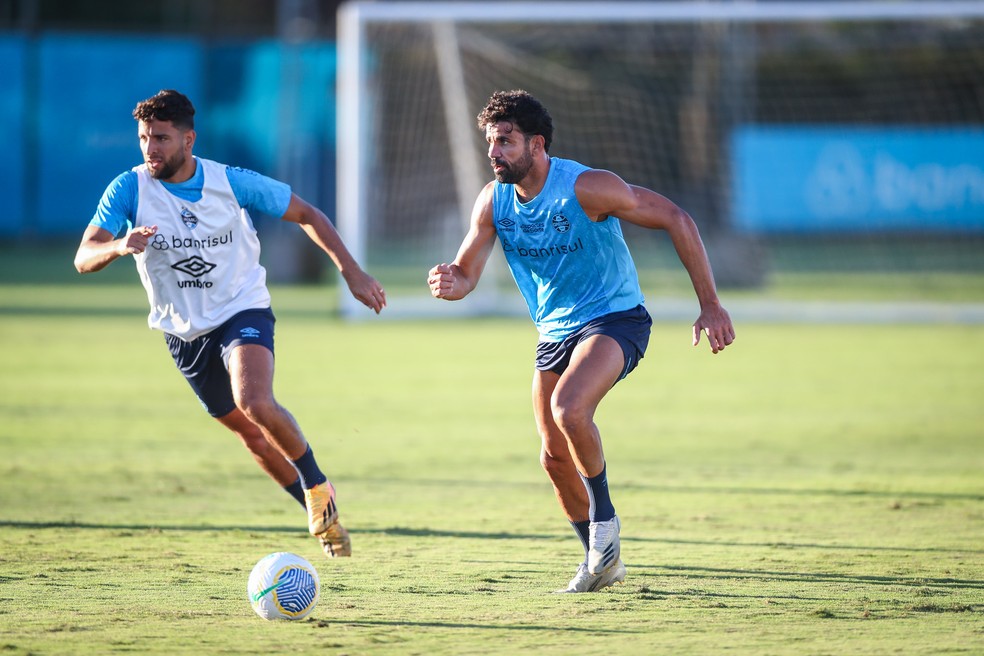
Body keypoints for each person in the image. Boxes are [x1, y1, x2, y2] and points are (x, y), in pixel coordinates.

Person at [427, 90, 735, 593]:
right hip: (554, 332)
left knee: (571, 410)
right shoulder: (493, 200)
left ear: (537, 144)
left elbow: (677, 218)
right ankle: (600, 560)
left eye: (505, 141)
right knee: (552, 456)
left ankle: (605, 522)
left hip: (616, 319)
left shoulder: (588, 187)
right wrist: (451, 282)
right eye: (490, 142)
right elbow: (466, 272)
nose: (494, 152)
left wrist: (711, 305)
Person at [74, 89, 386, 559]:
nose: (150, 148)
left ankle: (317, 486)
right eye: (143, 138)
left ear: (188, 139)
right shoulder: (129, 189)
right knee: (252, 437)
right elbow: (83, 256)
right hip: (183, 332)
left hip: (242, 307)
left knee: (254, 399)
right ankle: (321, 515)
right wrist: (120, 246)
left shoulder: (230, 182)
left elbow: (308, 214)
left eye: (161, 137)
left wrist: (352, 272)